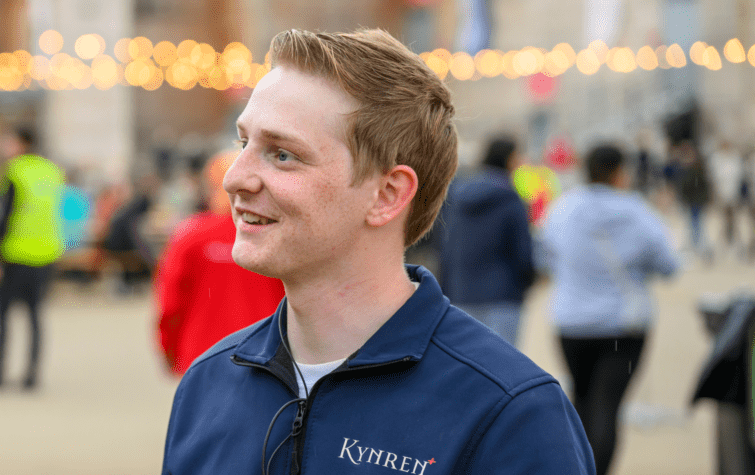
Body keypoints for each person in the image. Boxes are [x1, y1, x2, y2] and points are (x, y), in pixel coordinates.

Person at [162, 29, 594, 474]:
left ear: (388, 193)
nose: (235, 178)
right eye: (243, 142)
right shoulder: (207, 384)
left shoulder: (509, 415)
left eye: (283, 154)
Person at [539, 144, 679, 475]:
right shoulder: (635, 210)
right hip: (622, 325)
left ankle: (574, 467)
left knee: (582, 403)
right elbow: (668, 265)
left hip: (570, 323)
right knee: (608, 408)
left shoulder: (564, 208)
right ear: (619, 171)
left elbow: (544, 256)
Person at [155, 150, 285, 376]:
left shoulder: (189, 236)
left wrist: (170, 353)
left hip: (202, 358)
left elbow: (170, 305)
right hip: (267, 357)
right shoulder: (276, 235)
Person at [0, 128, 63, 390]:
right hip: (46, 254)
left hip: (14, 254)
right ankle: (31, 375)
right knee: (35, 317)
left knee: (2, 315)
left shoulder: (12, 172)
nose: (3, 145)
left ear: (21, 144)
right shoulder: (51, 172)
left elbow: (2, 217)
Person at [438, 136, 535, 346]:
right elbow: (523, 251)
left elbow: (446, 247)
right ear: (508, 159)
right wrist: (525, 283)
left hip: (460, 294)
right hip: (503, 297)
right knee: (502, 367)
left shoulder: (456, 195)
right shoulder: (510, 198)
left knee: (468, 367)